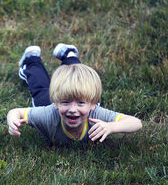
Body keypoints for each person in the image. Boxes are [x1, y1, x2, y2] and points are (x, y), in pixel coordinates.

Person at [7, 43, 142, 144]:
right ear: (56, 103)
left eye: (81, 103)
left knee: (78, 75)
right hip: (49, 102)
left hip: (78, 101)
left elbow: (136, 123)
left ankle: (68, 54)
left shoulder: (97, 116)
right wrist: (12, 121)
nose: (72, 110)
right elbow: (16, 112)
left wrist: (111, 127)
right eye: (66, 102)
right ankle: (31, 60)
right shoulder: (47, 115)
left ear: (94, 104)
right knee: (41, 91)